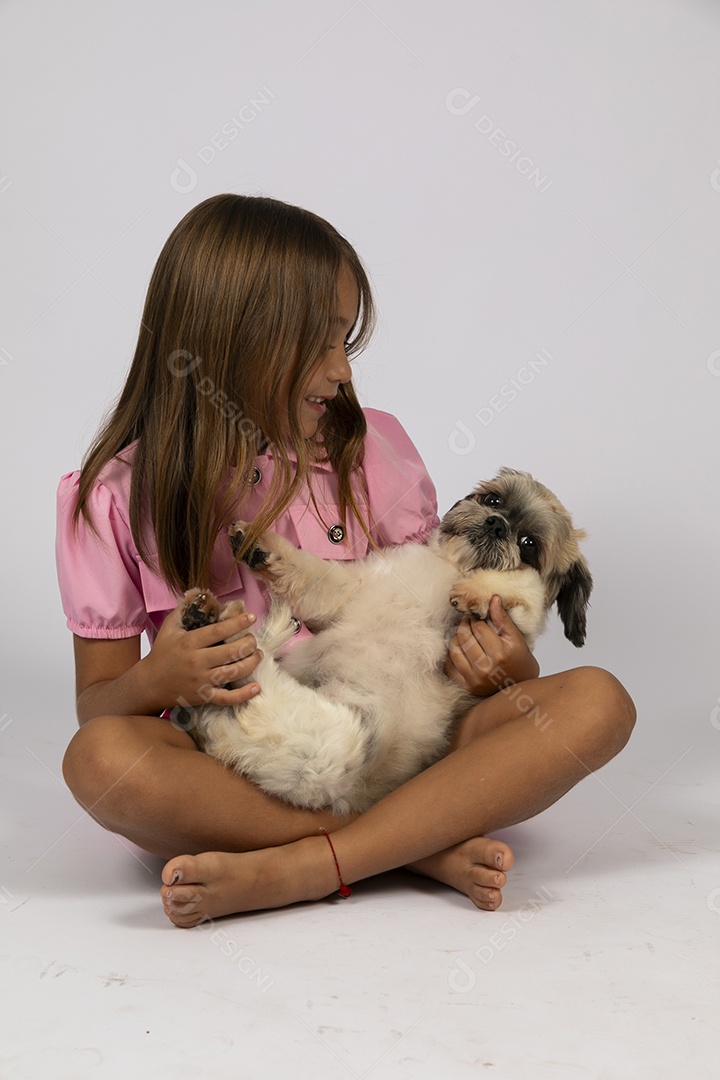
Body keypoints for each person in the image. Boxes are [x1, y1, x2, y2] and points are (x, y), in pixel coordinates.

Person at [57, 193, 635, 929]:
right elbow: (98, 704)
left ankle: (302, 865)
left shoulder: (375, 451)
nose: (342, 371)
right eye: (324, 342)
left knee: (598, 704)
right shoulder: (108, 498)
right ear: (236, 340)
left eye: (346, 344)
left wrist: (507, 672)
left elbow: (439, 614)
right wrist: (159, 677)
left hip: (403, 741)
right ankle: (410, 847)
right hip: (241, 751)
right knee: (102, 760)